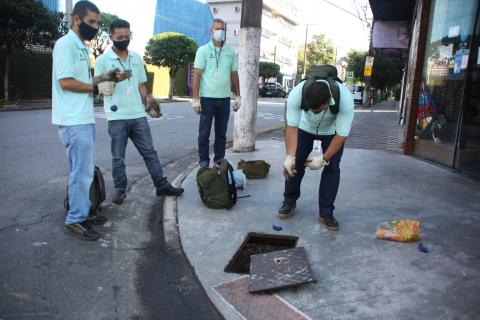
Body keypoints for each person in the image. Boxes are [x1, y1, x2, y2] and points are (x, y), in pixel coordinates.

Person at [52, 1, 129, 241]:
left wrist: (104, 77)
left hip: (82, 118)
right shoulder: (66, 45)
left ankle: (83, 211)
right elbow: (65, 82)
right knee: (81, 172)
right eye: (91, 22)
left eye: (97, 22)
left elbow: (81, 79)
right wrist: (95, 89)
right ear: (77, 19)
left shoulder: (81, 47)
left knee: (83, 170)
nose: (95, 27)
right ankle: (75, 219)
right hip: (73, 119)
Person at [95, 19, 184, 205]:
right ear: (111, 37)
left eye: (126, 36)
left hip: (137, 115)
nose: (123, 39)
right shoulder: (102, 60)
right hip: (117, 116)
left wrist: (149, 101)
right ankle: (120, 190)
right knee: (118, 157)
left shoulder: (136, 57)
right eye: (119, 37)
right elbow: (100, 88)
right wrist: (112, 81)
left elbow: (141, 84)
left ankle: (161, 185)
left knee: (150, 153)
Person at [279, 78, 354, 231]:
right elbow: (291, 127)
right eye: (311, 109)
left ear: (328, 101)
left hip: (332, 132)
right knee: (296, 164)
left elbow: (342, 135)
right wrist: (289, 157)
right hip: (304, 128)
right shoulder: (297, 94)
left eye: (318, 110)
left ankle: (326, 212)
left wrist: (324, 159)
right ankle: (289, 201)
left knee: (332, 169)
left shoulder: (345, 98)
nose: (314, 113)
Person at [192, 18, 241, 168]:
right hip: (207, 99)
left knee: (221, 134)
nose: (220, 32)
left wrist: (238, 96)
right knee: (204, 133)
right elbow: (197, 75)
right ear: (211, 31)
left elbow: (234, 74)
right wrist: (195, 99)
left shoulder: (231, 51)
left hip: (224, 99)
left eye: (222, 29)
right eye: (217, 29)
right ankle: (204, 161)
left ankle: (219, 160)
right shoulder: (203, 50)